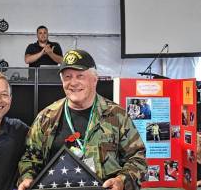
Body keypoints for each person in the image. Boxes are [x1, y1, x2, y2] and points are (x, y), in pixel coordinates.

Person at [18, 49, 147, 190]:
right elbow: (30, 157)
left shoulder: (117, 116)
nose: (73, 83)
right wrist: (27, 177)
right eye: (67, 77)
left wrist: (122, 180)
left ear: (94, 79)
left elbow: (138, 158)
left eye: (80, 76)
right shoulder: (46, 117)